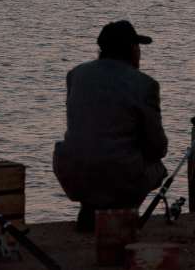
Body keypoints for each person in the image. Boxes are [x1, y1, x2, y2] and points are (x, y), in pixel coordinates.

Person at [53, 20, 168, 231]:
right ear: (132, 50)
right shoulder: (145, 85)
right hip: (120, 177)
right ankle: (120, 214)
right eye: (138, 47)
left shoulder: (76, 75)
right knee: (157, 168)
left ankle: (91, 210)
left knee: (97, 157)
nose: (140, 52)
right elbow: (157, 147)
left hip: (72, 172)